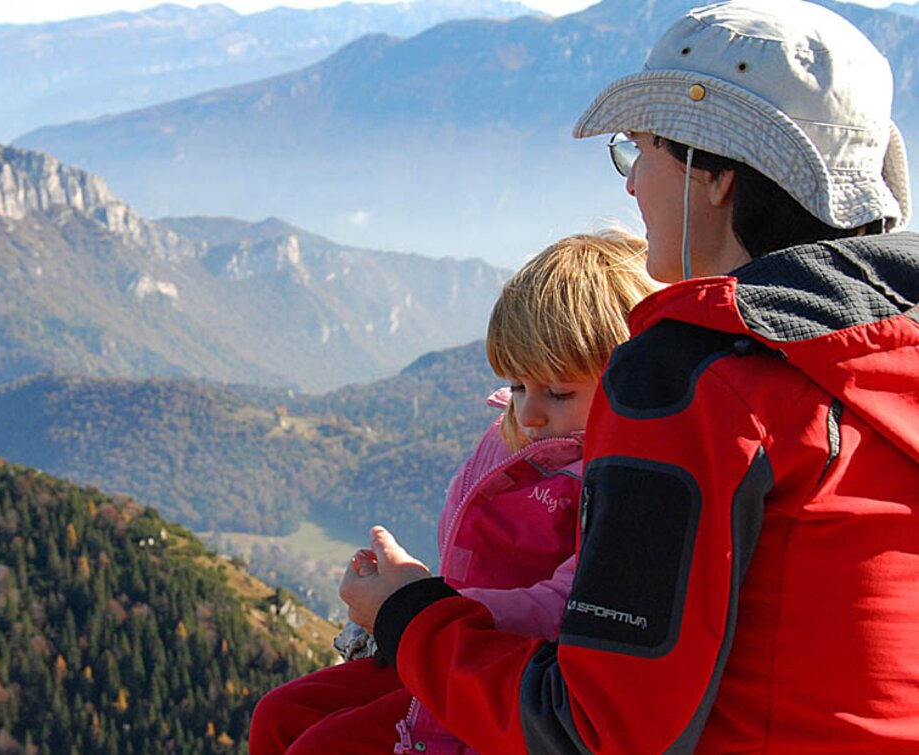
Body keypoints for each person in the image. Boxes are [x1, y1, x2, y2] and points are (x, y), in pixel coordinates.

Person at [340, 1, 919, 752]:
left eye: (638, 149)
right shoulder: (886, 353)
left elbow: (595, 729)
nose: (630, 185)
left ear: (714, 173)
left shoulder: (695, 381)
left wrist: (410, 614)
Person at [248, 232, 658, 754]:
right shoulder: (515, 443)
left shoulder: (623, 481)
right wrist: (412, 594)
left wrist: (413, 606)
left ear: (629, 381)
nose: (528, 413)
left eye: (558, 392)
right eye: (517, 386)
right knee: (282, 714)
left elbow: (565, 607)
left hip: (510, 677)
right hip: (456, 643)